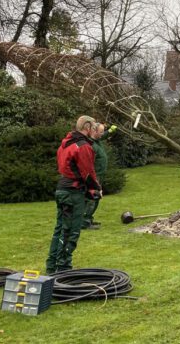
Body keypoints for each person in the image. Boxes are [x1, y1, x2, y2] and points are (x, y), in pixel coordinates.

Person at [46, 115, 101, 274]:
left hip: (62, 190)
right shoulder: (82, 146)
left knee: (60, 229)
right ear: (87, 127)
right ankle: (63, 271)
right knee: (70, 232)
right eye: (94, 128)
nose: (94, 131)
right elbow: (88, 174)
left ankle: (51, 267)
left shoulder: (65, 144)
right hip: (72, 193)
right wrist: (96, 189)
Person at [82, 123, 117, 229]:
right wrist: (93, 179)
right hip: (93, 176)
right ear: (94, 131)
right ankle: (84, 222)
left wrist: (110, 131)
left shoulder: (97, 140)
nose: (102, 134)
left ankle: (89, 219)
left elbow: (103, 135)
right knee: (92, 198)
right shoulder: (91, 144)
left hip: (99, 176)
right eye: (101, 132)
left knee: (97, 198)